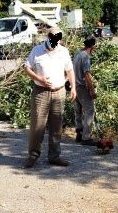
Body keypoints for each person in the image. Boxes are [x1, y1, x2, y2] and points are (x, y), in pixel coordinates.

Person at [23, 27, 76, 168]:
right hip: (41, 93)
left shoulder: (63, 51)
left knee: (56, 126)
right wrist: (38, 78)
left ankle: (54, 156)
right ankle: (33, 155)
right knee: (37, 126)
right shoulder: (37, 50)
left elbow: (69, 70)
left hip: (59, 92)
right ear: (48, 37)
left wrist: (73, 88)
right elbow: (27, 68)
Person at [73, 37, 97, 145]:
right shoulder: (86, 57)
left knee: (78, 109)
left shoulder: (78, 54)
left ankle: (79, 131)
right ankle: (86, 137)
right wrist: (92, 90)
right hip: (82, 87)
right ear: (92, 47)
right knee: (90, 110)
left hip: (75, 86)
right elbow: (87, 75)